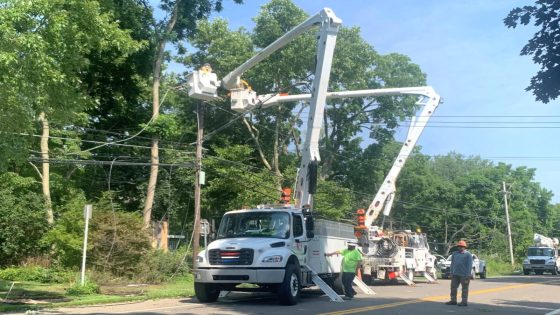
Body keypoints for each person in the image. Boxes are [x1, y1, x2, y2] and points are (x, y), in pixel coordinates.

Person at [445, 240, 473, 307]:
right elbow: (452, 264)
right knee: (453, 287)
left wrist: (468, 275)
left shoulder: (468, 255)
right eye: (459, 246)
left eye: (462, 246)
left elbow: (469, 265)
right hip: (455, 274)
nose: (460, 247)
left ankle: (464, 301)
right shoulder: (454, 254)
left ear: (464, 247)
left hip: (464, 275)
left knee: (464, 289)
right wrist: (451, 272)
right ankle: (453, 300)